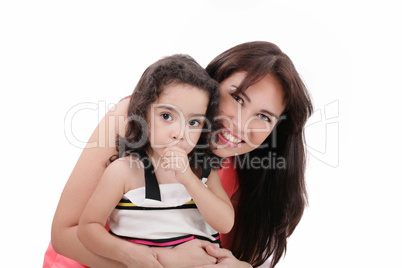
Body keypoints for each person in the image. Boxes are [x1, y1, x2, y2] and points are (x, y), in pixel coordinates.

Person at [45, 41, 313, 268]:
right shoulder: (139, 118)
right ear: (213, 83)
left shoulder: (242, 170)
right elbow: (65, 234)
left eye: (264, 117)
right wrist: (164, 261)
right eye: (238, 98)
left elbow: (209, 252)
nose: (240, 124)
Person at [76, 54, 234, 268]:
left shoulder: (203, 170)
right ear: (144, 113)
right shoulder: (124, 171)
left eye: (194, 122)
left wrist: (188, 178)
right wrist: (130, 254)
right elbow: (88, 228)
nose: (179, 133)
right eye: (167, 116)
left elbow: (224, 223)